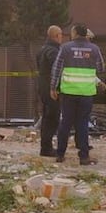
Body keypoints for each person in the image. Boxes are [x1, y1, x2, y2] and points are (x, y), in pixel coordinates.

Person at [51, 23, 105, 165]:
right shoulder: (94, 49)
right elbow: (101, 67)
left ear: (75, 33)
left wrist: (53, 88)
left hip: (68, 92)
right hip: (86, 93)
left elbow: (56, 69)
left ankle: (60, 154)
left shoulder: (65, 48)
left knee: (65, 123)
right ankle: (84, 156)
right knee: (82, 124)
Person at [35, 25, 63, 157]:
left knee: (47, 117)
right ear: (56, 36)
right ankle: (46, 148)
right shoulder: (53, 51)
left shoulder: (42, 49)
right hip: (51, 89)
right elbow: (57, 70)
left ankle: (45, 146)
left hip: (42, 87)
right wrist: (56, 87)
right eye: (60, 35)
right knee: (52, 117)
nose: (62, 37)